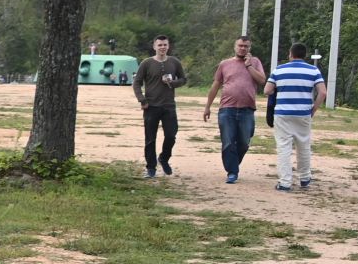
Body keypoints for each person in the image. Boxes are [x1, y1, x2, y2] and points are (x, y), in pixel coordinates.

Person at [201, 35, 267, 183]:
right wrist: (207, 107)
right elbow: (215, 86)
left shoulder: (255, 62)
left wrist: (249, 66)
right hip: (227, 109)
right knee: (228, 141)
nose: (243, 48)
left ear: (249, 48)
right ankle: (232, 172)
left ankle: (233, 164)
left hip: (247, 110)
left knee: (244, 141)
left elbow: (262, 81)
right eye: (240, 46)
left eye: (246, 46)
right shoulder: (225, 64)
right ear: (235, 46)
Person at [265, 42, 327, 191]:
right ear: (304, 55)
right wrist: (313, 109)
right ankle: (305, 177)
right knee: (303, 145)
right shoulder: (313, 70)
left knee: (284, 147)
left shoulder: (279, 70)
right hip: (303, 113)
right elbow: (323, 93)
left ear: (290, 54)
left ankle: (285, 182)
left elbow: (267, 90)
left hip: (282, 113)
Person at [132, 35, 186, 177]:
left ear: (168, 46)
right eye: (160, 45)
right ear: (154, 47)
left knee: (171, 136)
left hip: (168, 106)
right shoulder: (146, 63)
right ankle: (151, 168)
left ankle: (163, 158)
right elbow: (136, 82)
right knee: (150, 138)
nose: (162, 47)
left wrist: (172, 83)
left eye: (165, 45)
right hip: (151, 106)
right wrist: (142, 99)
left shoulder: (174, 62)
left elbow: (183, 79)